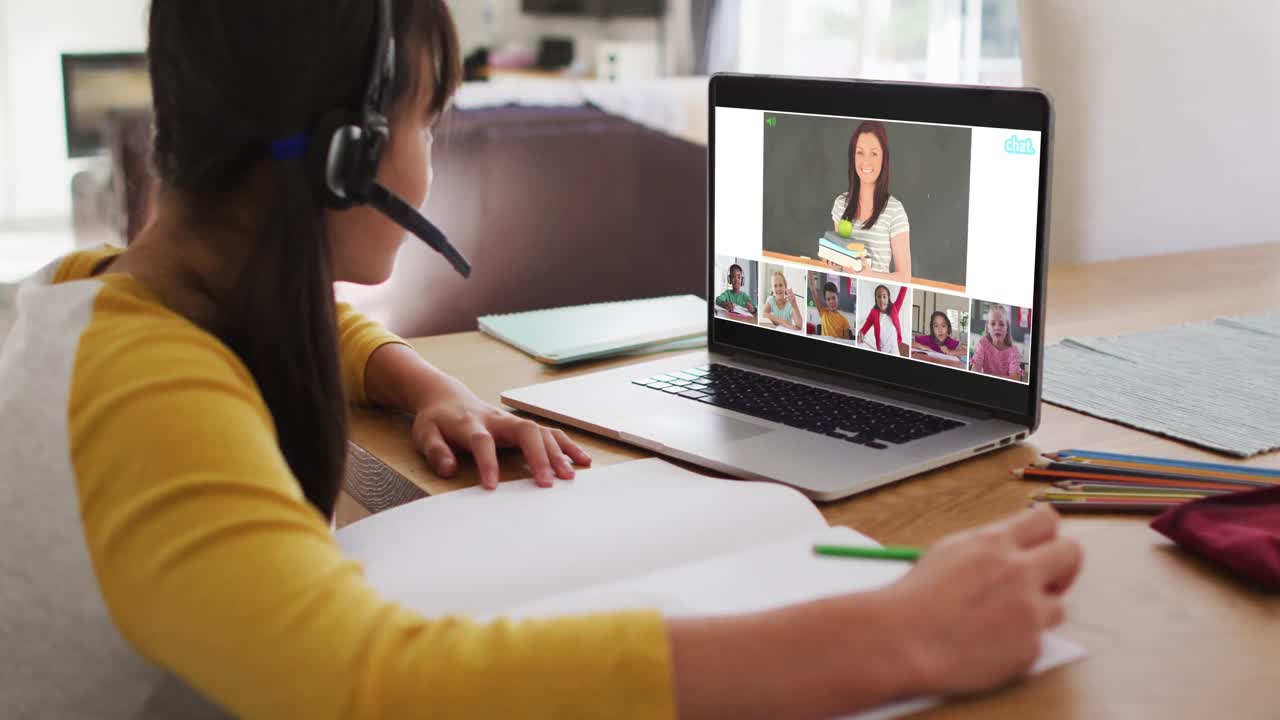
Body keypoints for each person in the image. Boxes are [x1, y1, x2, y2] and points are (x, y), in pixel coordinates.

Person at [0, 2, 1080, 718]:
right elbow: (368, 689)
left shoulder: (103, 299)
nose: (431, 158)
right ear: (346, 158)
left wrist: (423, 382)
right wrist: (894, 637)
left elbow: (292, 321)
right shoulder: (150, 398)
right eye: (432, 123)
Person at [828, 120, 912, 283]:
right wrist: (833, 262)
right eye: (860, 152)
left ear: (883, 158)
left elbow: (905, 278)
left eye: (874, 154)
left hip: (875, 292)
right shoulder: (840, 205)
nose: (866, 161)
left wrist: (870, 275)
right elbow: (842, 266)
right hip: (847, 293)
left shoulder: (895, 211)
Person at [971, 303, 1026, 380]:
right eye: (993, 323)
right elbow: (975, 370)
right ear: (988, 328)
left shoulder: (1013, 351)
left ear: (1007, 329)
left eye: (1002, 324)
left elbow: (1015, 378)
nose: (997, 327)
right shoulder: (982, 343)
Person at [859, 283, 909, 355]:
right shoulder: (873, 312)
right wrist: (861, 333)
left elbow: (902, 292)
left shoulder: (894, 308)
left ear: (888, 298)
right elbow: (866, 325)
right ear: (876, 299)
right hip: (882, 349)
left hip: (894, 349)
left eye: (884, 297)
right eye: (879, 297)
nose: (882, 300)